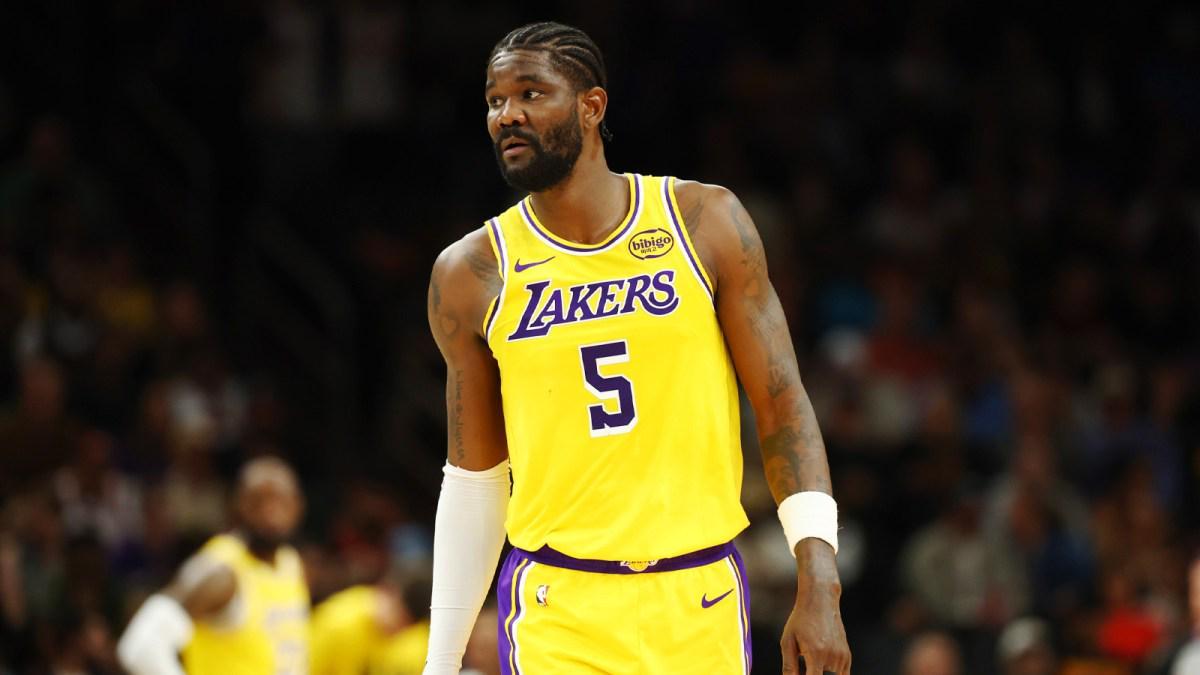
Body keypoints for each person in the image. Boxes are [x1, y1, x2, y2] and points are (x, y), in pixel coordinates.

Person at [424, 20, 850, 674]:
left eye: (531, 93)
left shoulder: (703, 221)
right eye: (495, 100)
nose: (507, 114)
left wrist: (820, 579)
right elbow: (475, 477)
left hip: (700, 595)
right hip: (559, 605)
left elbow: (782, 403)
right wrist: (441, 661)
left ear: (591, 106)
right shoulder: (472, 271)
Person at [116, 456, 308, 675]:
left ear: (298, 506)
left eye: (281, 502)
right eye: (258, 502)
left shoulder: (290, 562)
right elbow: (140, 646)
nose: (270, 512)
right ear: (238, 505)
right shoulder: (221, 570)